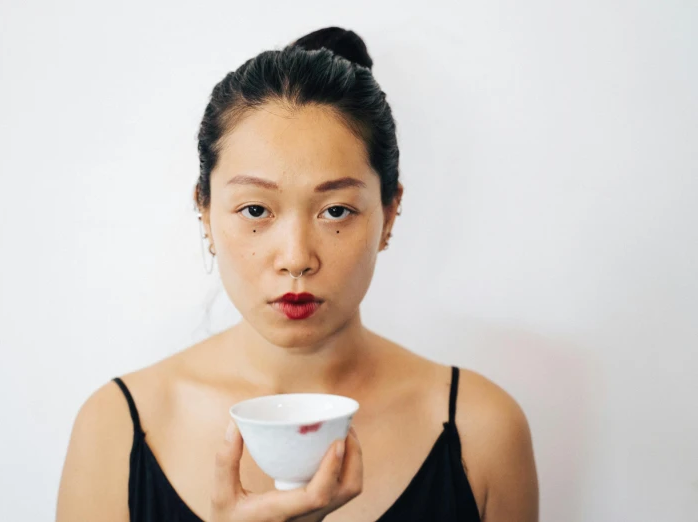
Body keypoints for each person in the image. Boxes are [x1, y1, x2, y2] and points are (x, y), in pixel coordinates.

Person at [56, 26, 539, 522]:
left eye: (334, 211)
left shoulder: (480, 429)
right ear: (204, 212)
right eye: (255, 210)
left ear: (389, 213)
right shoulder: (116, 427)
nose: (296, 258)